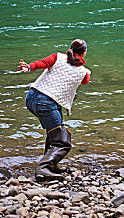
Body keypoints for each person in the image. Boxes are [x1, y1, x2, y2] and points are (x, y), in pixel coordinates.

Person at [18, 39, 91, 182]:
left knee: (53, 133)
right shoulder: (83, 72)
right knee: (62, 141)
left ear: (69, 48)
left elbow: (43, 63)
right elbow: (86, 81)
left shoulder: (57, 57)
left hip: (31, 98)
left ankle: (51, 166)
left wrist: (29, 67)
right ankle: (43, 169)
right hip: (46, 104)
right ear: (84, 53)